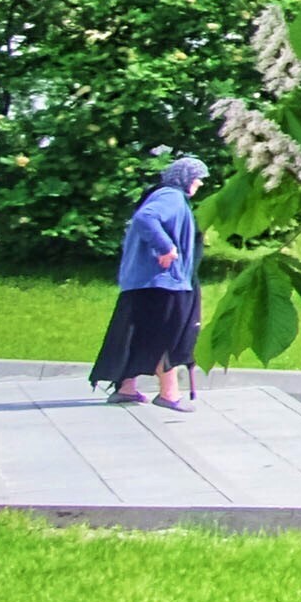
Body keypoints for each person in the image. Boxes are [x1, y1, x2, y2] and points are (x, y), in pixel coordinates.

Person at [90, 156, 208, 411]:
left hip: (145, 282)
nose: (199, 183)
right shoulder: (172, 197)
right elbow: (146, 219)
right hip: (164, 283)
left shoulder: (162, 195)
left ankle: (126, 388)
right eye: (197, 177)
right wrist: (166, 248)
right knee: (169, 335)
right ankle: (169, 394)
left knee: (140, 332)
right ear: (185, 177)